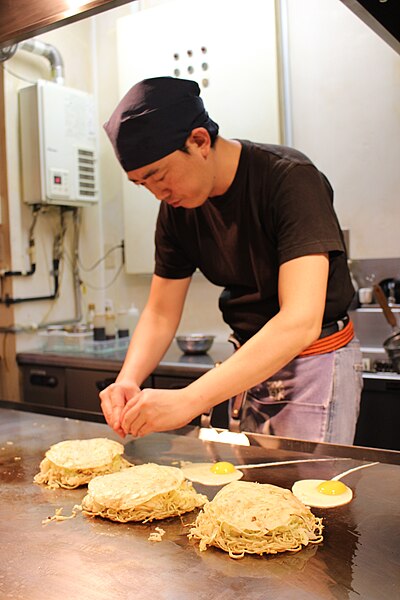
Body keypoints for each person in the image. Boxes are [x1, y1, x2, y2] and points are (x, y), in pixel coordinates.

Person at [100, 76, 363, 444]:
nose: (158, 193)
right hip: (250, 363)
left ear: (199, 141)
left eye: (158, 176)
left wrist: (190, 400)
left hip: (313, 361)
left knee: (306, 496)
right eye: (142, 184)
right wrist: (128, 379)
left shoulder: (288, 179)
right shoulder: (177, 207)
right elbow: (160, 312)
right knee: (258, 496)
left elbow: (298, 321)